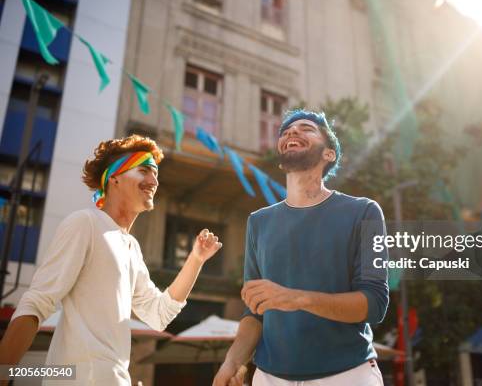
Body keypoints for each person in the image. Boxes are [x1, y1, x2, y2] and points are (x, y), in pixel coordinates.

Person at [0, 135, 222, 385]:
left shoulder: (131, 247)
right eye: (144, 171)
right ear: (115, 178)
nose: (154, 181)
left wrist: (196, 259)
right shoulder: (86, 223)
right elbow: (37, 301)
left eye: (156, 174)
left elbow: (159, 315)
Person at [214, 110, 389, 386]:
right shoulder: (258, 222)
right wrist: (232, 361)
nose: (291, 133)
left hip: (347, 374)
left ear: (328, 154)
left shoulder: (364, 211)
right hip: (269, 378)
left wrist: (296, 299)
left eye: (305, 128)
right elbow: (254, 312)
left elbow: (375, 304)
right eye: (285, 132)